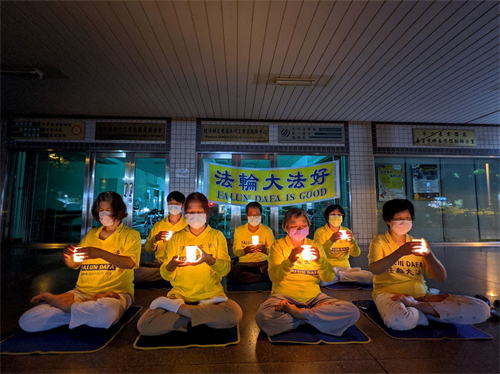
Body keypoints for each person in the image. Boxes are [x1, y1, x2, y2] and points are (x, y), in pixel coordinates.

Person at [19, 191, 141, 332]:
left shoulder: (130, 235)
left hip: (114, 294)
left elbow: (129, 263)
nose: (104, 214)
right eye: (101, 210)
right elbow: (73, 264)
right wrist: (68, 255)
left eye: (108, 210)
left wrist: (99, 253)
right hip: (81, 294)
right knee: (28, 321)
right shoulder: (91, 235)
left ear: (118, 211)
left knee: (106, 312)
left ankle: (66, 308)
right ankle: (84, 310)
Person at [368, 199, 490, 331]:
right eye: (398, 219)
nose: (404, 222)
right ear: (388, 221)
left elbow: (441, 277)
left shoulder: (416, 244)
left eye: (407, 218)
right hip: (389, 295)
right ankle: (429, 311)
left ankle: (416, 308)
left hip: (423, 296)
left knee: (482, 309)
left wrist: (429, 255)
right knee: (398, 321)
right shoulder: (380, 241)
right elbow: (375, 269)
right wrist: (400, 252)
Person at [137, 192, 243, 336]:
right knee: (145, 325)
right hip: (180, 296)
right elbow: (165, 274)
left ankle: (182, 313)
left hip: (211, 298)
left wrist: (209, 260)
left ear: (206, 212)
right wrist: (173, 264)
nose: (195, 215)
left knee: (234, 314)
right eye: (191, 212)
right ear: (185, 213)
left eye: (199, 211)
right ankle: (202, 319)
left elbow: (225, 270)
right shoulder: (177, 238)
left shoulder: (217, 236)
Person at [255, 208, 360, 337]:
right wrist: (290, 260)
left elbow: (328, 277)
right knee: (263, 317)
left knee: (352, 311)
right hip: (283, 297)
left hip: (314, 297)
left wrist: (319, 260)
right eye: (294, 226)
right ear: (285, 228)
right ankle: (313, 317)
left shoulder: (315, 246)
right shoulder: (278, 246)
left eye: (303, 226)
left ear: (308, 227)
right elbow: (274, 278)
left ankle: (299, 315)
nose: (299, 230)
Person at [135, 191, 188, 283]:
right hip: (160, 263)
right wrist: (156, 238)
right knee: (136, 274)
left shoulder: (187, 225)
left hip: (180, 263)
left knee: (189, 271)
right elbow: (148, 248)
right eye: (171, 204)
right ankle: (169, 276)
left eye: (176, 204)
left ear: (182, 206)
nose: (173, 206)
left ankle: (166, 276)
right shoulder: (159, 225)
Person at [313, 204, 373, 286]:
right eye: (333, 214)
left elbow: (356, 254)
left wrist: (352, 242)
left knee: (370, 277)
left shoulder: (346, 231)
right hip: (328, 268)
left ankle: (339, 276)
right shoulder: (320, 232)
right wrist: (331, 241)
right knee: (320, 280)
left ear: (342, 217)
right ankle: (345, 277)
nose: (336, 216)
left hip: (345, 268)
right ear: (327, 217)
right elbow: (319, 255)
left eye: (339, 214)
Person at [227, 202, 275, 283]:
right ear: (246, 216)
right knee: (233, 273)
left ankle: (256, 275)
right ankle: (261, 275)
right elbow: (236, 252)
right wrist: (245, 251)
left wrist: (265, 250)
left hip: (262, 263)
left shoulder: (267, 231)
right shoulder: (239, 231)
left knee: (274, 268)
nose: (254, 217)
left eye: (257, 214)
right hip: (244, 264)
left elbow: (274, 252)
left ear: (261, 215)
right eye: (251, 215)